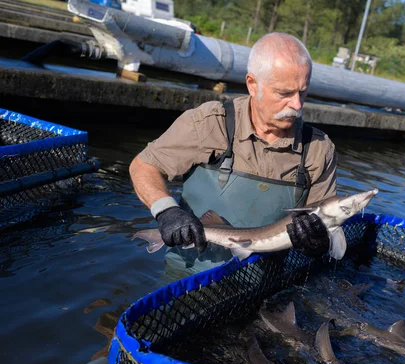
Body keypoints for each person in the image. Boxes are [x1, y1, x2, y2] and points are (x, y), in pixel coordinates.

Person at [129, 32, 337, 277]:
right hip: (189, 274)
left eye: (303, 93)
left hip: (263, 280)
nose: (297, 105)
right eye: (284, 94)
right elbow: (144, 166)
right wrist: (166, 211)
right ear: (252, 84)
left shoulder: (318, 148)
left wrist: (317, 243)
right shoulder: (210, 124)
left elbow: (324, 226)